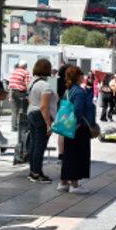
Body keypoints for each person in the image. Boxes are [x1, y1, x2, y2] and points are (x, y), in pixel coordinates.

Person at [57, 66, 94, 194]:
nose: (84, 77)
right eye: (82, 75)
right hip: (78, 128)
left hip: (67, 127)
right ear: (78, 77)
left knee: (68, 155)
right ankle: (75, 184)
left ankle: (63, 182)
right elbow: (78, 111)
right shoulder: (79, 92)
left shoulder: (67, 91)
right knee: (78, 156)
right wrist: (76, 125)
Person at [26, 59, 58, 183]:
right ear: (47, 69)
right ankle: (37, 174)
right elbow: (44, 107)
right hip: (41, 116)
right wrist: (49, 124)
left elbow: (30, 100)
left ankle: (33, 171)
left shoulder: (33, 82)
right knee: (40, 146)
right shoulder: (45, 85)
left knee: (34, 144)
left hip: (32, 113)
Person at [8, 60, 31, 132]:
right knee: (23, 109)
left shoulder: (14, 71)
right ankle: (21, 126)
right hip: (20, 92)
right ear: (25, 66)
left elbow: (10, 83)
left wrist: (10, 95)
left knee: (14, 110)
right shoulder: (25, 72)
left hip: (12, 91)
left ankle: (13, 127)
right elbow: (28, 84)